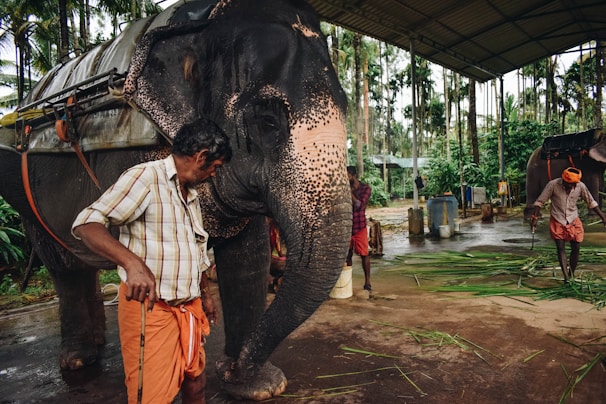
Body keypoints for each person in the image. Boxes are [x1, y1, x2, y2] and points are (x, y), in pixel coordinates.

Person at [72, 118, 232, 403]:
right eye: (215, 168)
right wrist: (132, 264)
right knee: (153, 396)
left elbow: (194, 251)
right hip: (152, 312)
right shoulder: (146, 177)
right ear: (201, 157)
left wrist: (205, 294)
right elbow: (87, 223)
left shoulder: (190, 194)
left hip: (189, 308)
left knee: (196, 381)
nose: (214, 176)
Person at [530, 167, 606, 283]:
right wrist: (534, 218)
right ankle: (566, 277)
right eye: (569, 184)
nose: (571, 187)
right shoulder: (553, 185)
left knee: (576, 248)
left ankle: (571, 274)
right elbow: (540, 202)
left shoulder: (580, 186)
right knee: (560, 248)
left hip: (573, 219)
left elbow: (591, 202)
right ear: (564, 180)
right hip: (557, 219)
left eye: (573, 184)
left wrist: (603, 217)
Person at [345, 166, 372, 291]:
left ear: (353, 175)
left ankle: (367, 282)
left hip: (359, 227)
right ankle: (347, 282)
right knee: (347, 255)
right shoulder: (344, 189)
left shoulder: (365, 189)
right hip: (347, 227)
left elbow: (359, 205)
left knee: (364, 254)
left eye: (347, 176)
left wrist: (348, 193)